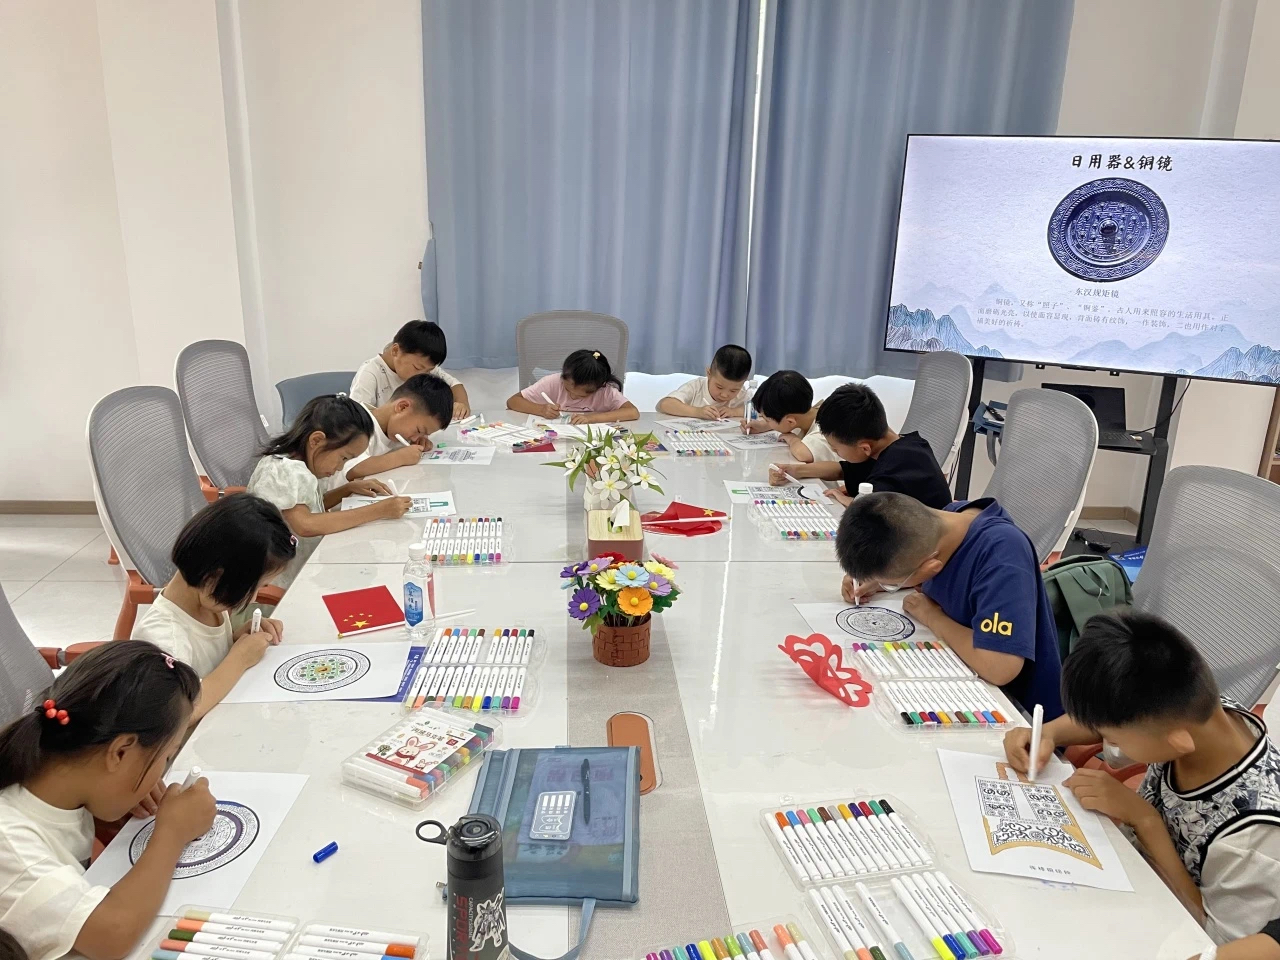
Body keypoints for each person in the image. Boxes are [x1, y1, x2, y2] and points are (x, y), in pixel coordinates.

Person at [1005, 611, 1280, 945]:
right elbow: (1118, 722)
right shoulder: (1199, 714)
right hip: (1125, 870)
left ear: (1176, 744)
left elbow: (1217, 940)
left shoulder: (1253, 838)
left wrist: (1145, 821)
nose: (1108, 742)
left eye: (1113, 738)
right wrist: (1047, 733)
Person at [0, 642, 216, 960]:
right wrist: (172, 833)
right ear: (121, 752)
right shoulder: (10, 844)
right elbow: (111, 934)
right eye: (166, 757)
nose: (161, 774)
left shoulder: (56, 782)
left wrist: (111, 807)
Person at [836, 491, 1062, 719]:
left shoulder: (1003, 555)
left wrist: (932, 616)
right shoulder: (947, 521)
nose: (893, 586)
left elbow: (999, 666)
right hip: (959, 673)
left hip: (1019, 713)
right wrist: (880, 580)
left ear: (932, 566)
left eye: (894, 583)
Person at [131, 495, 296, 720]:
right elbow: (182, 715)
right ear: (213, 579)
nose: (254, 598)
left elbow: (207, 659)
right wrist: (239, 659)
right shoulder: (165, 638)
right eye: (254, 588)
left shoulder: (209, 603)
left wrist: (238, 640)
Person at [248, 395, 411, 588]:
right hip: (281, 581)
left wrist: (347, 489)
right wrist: (379, 510)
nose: (341, 467)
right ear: (316, 440)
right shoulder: (286, 470)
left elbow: (309, 506)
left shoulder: (296, 462)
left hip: (305, 566)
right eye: (343, 458)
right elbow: (305, 525)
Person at [773, 383, 952, 509]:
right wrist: (793, 471)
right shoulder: (898, 446)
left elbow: (868, 510)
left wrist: (847, 500)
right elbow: (841, 470)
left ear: (864, 448)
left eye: (836, 449)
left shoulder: (892, 472)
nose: (836, 452)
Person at [350, 320, 471, 420]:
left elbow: (455, 385)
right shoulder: (370, 374)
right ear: (395, 351)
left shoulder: (423, 368)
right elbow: (355, 419)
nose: (422, 375)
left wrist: (461, 404)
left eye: (428, 371)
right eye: (417, 368)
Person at [343, 374, 455, 481]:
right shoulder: (357, 425)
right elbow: (352, 469)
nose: (415, 438)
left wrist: (420, 440)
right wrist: (400, 458)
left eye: (424, 434)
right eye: (419, 430)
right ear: (402, 407)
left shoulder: (395, 429)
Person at [507, 349, 639, 424]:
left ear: (599, 387)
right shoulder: (553, 382)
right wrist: (541, 410)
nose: (573, 396)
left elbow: (633, 412)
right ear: (563, 376)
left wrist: (592, 418)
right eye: (567, 389)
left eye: (582, 395)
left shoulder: (605, 391)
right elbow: (512, 401)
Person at [744, 371, 836, 464]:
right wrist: (764, 426)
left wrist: (793, 440)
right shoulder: (804, 413)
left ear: (790, 422)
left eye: (767, 420)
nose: (765, 421)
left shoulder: (826, 431)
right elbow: (784, 423)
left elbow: (803, 454)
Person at [656, 344, 753, 420]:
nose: (724, 395)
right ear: (709, 373)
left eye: (733, 390)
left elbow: (760, 411)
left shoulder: (743, 393)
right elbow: (664, 404)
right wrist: (697, 412)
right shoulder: (696, 387)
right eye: (719, 387)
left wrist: (734, 412)